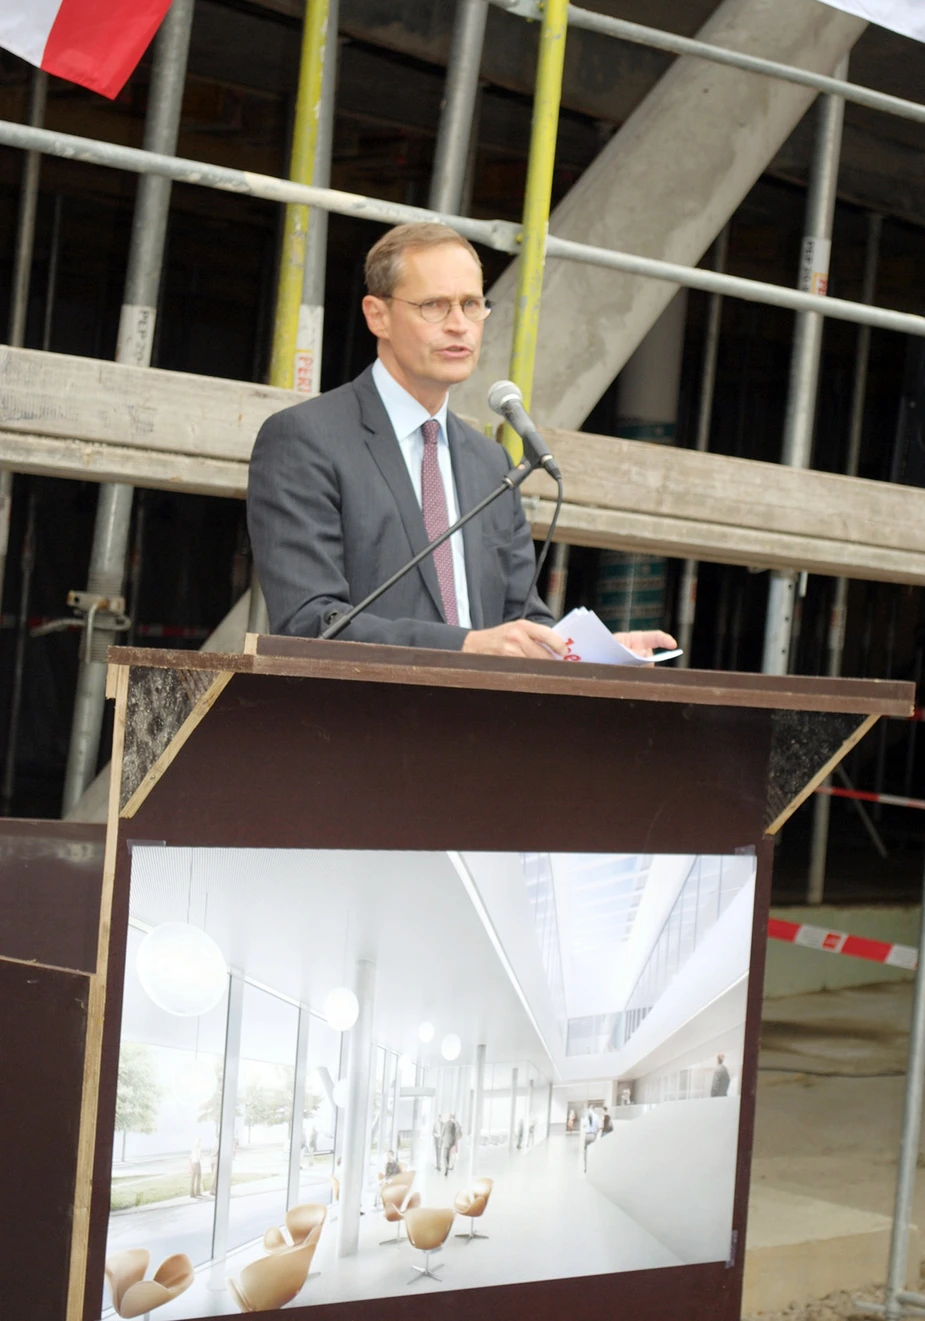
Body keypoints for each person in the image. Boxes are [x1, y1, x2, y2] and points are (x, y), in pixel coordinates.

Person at [248, 221, 675, 661]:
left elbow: (521, 619)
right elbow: (308, 622)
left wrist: (587, 650)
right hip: (359, 718)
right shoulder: (306, 438)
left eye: (471, 304)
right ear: (378, 315)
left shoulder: (492, 464)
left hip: (478, 721)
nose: (459, 325)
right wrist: (466, 645)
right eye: (434, 305)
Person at [582, 1106, 600, 1172]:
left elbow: (584, 1126)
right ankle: (592, 1167)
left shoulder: (586, 1117)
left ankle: (586, 1167)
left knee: (585, 1152)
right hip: (593, 1135)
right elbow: (598, 1127)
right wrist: (595, 1134)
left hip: (587, 1135)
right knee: (592, 1152)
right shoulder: (597, 1117)